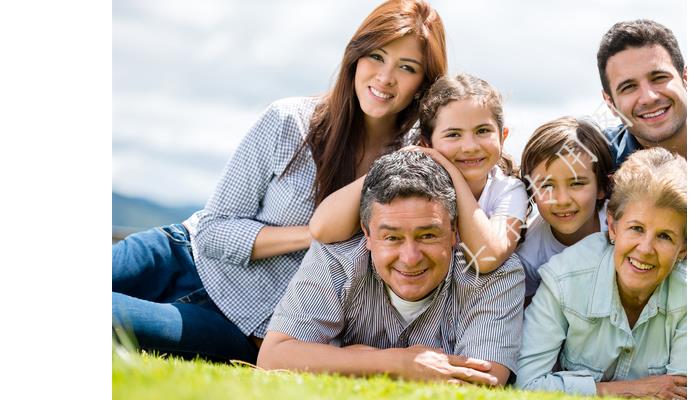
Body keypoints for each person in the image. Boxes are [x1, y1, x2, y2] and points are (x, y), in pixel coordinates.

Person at [112, 0, 448, 364]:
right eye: (376, 57)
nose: (384, 77)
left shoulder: (414, 162)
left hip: (242, 324)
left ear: (422, 85)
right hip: (181, 256)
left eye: (407, 67)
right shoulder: (289, 121)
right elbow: (212, 232)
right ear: (355, 57)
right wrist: (317, 233)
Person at [259, 151, 525, 386]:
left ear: (455, 231)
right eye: (392, 238)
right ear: (367, 233)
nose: (410, 258)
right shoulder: (337, 257)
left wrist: (347, 361)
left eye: (428, 235)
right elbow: (274, 357)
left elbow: (481, 383)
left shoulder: (495, 276)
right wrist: (397, 363)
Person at [310, 73, 527, 274]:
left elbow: (488, 258)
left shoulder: (508, 189)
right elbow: (322, 229)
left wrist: (452, 171)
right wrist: (386, 169)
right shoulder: (412, 181)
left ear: (502, 135)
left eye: (482, 131)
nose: (470, 146)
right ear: (427, 143)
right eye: (453, 134)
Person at [515, 147, 687, 399]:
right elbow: (527, 387)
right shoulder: (564, 279)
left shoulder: (688, 296)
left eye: (664, 236)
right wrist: (628, 390)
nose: (646, 249)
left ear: (683, 248)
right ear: (613, 227)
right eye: (636, 228)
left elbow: (683, 392)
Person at [516, 117, 613, 300]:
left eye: (576, 183)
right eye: (546, 186)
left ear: (601, 187)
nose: (561, 200)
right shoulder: (527, 257)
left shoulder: (622, 225)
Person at [597, 19, 687, 170]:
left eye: (659, 78)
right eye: (629, 87)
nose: (649, 98)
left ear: (685, 78)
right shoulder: (594, 163)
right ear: (610, 102)